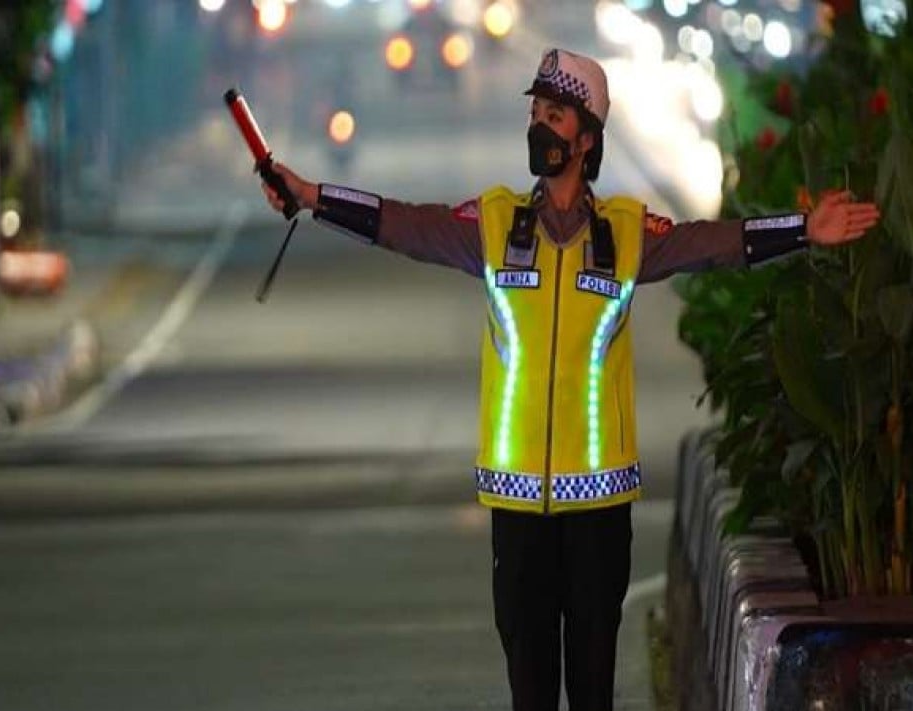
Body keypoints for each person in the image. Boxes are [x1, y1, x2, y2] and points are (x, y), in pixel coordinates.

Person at [258, 48, 880, 711]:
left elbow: (716, 242)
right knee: (529, 686)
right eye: (534, 113)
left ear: (586, 137)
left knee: (590, 686)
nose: (539, 127)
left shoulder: (628, 233)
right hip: (517, 505)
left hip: (599, 509)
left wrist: (803, 231)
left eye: (553, 115)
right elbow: (400, 223)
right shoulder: (492, 225)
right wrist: (311, 196)